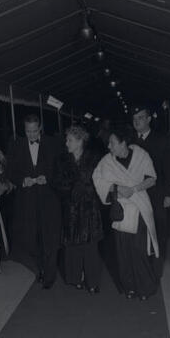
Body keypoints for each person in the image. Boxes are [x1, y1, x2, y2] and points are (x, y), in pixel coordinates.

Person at [93, 126, 159, 300]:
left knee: (139, 250)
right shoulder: (106, 161)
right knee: (123, 251)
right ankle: (129, 287)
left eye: (112, 143)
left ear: (123, 143)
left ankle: (145, 288)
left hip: (139, 208)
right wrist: (115, 187)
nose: (109, 146)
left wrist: (133, 189)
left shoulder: (141, 155)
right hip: (121, 211)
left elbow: (152, 179)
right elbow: (97, 178)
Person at [6, 113, 62, 289]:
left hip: (49, 201)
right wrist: (22, 180)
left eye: (34, 131)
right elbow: (10, 171)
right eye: (28, 131)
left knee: (49, 238)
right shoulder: (16, 145)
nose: (31, 135)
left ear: (40, 128)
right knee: (31, 240)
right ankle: (41, 267)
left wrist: (49, 178)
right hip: (27, 202)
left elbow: (61, 169)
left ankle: (49, 275)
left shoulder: (53, 144)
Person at [53, 125, 103, 293]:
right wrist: (72, 190)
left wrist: (86, 189)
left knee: (91, 247)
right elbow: (57, 183)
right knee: (72, 245)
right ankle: (75, 278)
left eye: (70, 140)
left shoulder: (94, 158)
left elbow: (101, 181)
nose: (66, 143)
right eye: (67, 140)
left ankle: (92, 282)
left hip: (90, 208)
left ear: (80, 141)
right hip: (71, 208)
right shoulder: (61, 160)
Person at [131, 104, 170, 275]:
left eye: (141, 118)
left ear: (149, 119)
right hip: (136, 196)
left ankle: (157, 270)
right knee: (139, 233)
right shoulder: (129, 142)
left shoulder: (162, 140)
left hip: (157, 196)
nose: (137, 121)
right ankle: (143, 269)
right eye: (134, 119)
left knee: (158, 232)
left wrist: (169, 195)